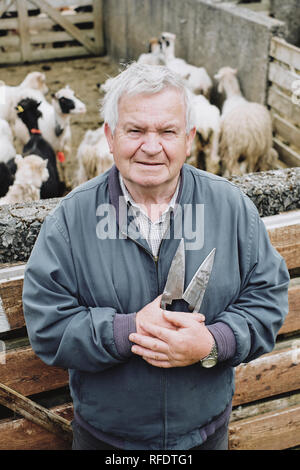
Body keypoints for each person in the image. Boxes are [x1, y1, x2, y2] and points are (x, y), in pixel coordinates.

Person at [22, 63, 289, 451]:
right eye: (135, 130)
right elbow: (48, 326)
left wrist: (213, 342)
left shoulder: (231, 209)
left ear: (189, 138)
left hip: (204, 436)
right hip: (107, 442)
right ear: (110, 137)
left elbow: (266, 299)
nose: (151, 146)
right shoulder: (71, 219)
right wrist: (128, 330)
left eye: (167, 131)